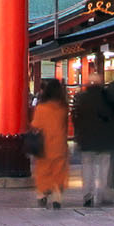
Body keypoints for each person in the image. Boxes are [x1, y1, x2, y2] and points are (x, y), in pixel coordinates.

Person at [70, 66, 114, 208]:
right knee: (105, 166)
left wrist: (78, 135)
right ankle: (103, 192)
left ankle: (88, 194)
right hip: (106, 139)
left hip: (86, 139)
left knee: (87, 167)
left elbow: (76, 118)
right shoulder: (108, 98)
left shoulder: (81, 98)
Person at [31, 79, 71, 210]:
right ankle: (57, 197)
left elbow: (36, 125)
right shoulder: (63, 108)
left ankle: (42, 194)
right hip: (60, 144)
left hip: (44, 144)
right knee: (58, 170)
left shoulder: (41, 108)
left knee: (43, 170)